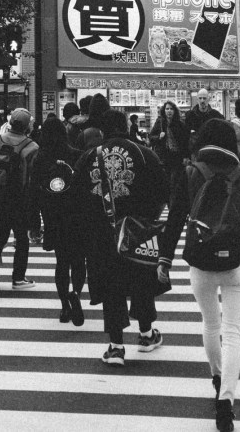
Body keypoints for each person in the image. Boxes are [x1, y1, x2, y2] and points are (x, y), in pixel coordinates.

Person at [169, 118, 240, 432]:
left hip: (200, 262)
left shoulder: (190, 173)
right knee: (233, 331)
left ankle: (216, 376)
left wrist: (163, 259)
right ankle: (226, 403)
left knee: (210, 322)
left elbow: (174, 219)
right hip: (236, 263)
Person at [74, 110, 168, 367]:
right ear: (126, 126)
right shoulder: (143, 153)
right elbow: (162, 189)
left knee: (111, 287)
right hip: (136, 230)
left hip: (101, 233)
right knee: (141, 279)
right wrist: (147, 219)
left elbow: (77, 196)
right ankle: (147, 335)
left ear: (102, 130)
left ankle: (116, 346)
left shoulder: (89, 156)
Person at [26, 116, 85, 325]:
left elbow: (32, 192)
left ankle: (64, 306)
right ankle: (76, 293)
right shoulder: (75, 155)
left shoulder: (40, 158)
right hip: (76, 215)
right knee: (78, 260)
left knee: (62, 262)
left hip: (53, 215)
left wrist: (34, 224)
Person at [0, 107, 40, 295]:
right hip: (20, 199)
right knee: (21, 239)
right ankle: (18, 278)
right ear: (27, 125)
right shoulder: (32, 147)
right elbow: (32, 178)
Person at [149, 101, 190, 192]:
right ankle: (168, 201)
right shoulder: (160, 122)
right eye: (167, 109)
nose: (169, 111)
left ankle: (173, 202)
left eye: (171, 109)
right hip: (164, 156)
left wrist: (186, 156)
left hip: (177, 157)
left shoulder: (180, 124)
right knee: (166, 180)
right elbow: (151, 137)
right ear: (164, 110)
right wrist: (159, 137)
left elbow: (185, 141)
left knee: (175, 181)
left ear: (175, 111)